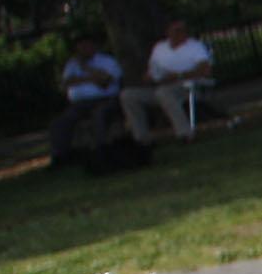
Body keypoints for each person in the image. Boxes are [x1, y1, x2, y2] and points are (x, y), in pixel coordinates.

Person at [124, 18, 218, 143]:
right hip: (161, 86)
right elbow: (152, 71)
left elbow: (205, 70)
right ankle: (141, 138)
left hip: (188, 86)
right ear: (168, 32)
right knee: (128, 95)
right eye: (176, 30)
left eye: (182, 30)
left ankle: (185, 134)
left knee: (164, 93)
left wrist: (178, 76)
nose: (180, 33)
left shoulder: (194, 46)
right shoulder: (159, 48)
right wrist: (151, 77)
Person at [50, 34, 126, 167]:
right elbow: (66, 84)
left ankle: (101, 151)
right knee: (61, 122)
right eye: (80, 47)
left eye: (86, 46)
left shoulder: (107, 61)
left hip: (105, 99)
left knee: (99, 115)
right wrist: (92, 78)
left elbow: (106, 82)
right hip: (80, 103)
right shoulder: (72, 64)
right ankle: (60, 156)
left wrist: (86, 70)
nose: (83, 50)